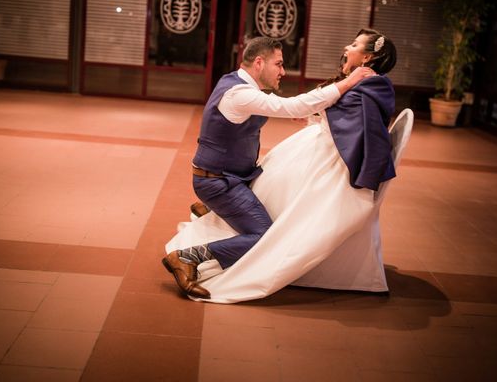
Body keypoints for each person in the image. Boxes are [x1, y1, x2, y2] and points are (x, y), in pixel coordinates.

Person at [165, 28, 398, 303]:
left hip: (231, 176)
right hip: (219, 180)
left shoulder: (239, 85)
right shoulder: (238, 94)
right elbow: (290, 107)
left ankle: (215, 208)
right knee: (266, 236)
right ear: (259, 63)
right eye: (279, 64)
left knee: (275, 179)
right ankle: (188, 257)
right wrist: (347, 84)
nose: (283, 71)